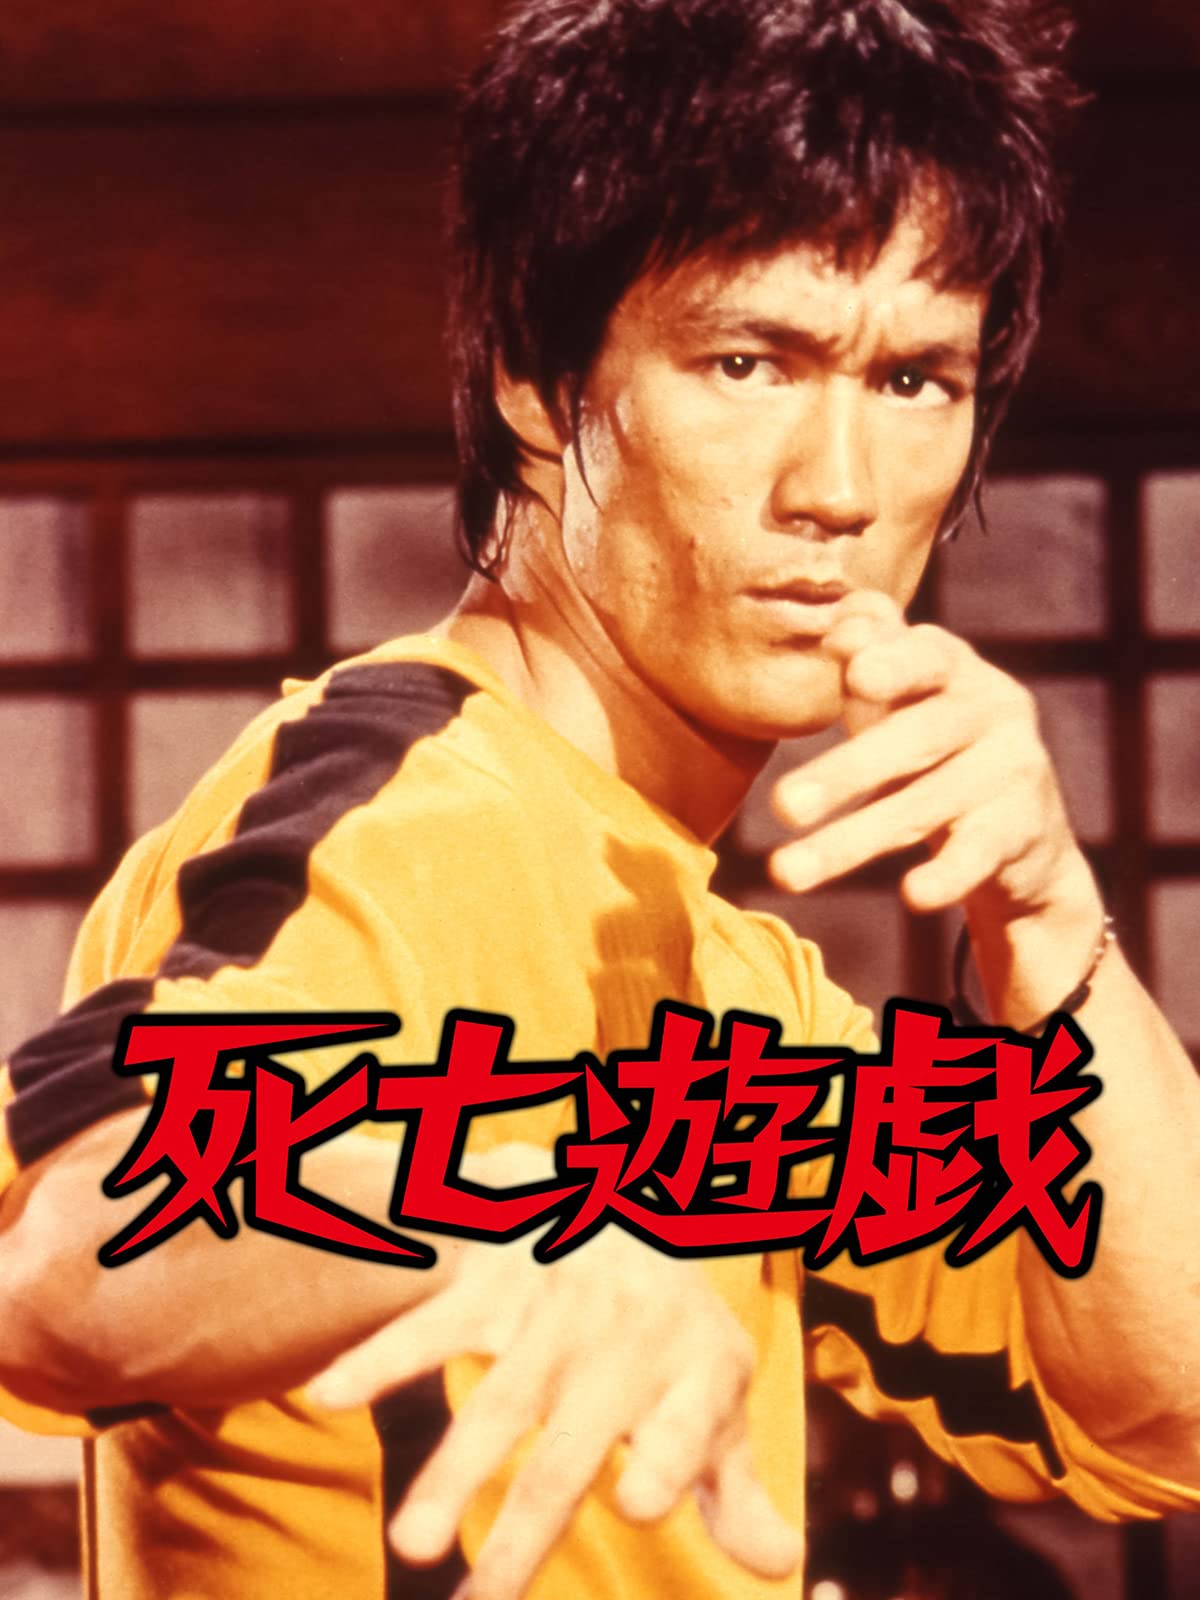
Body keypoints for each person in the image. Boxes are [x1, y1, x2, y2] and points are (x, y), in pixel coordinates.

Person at [1, 2, 1198, 1597]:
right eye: (747, 362)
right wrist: (498, 1223)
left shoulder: (747, 989)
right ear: (536, 378)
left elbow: (1169, 1409)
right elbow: (70, 1253)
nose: (839, 489)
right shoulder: (407, 815)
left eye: (916, 380)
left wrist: (1049, 927)